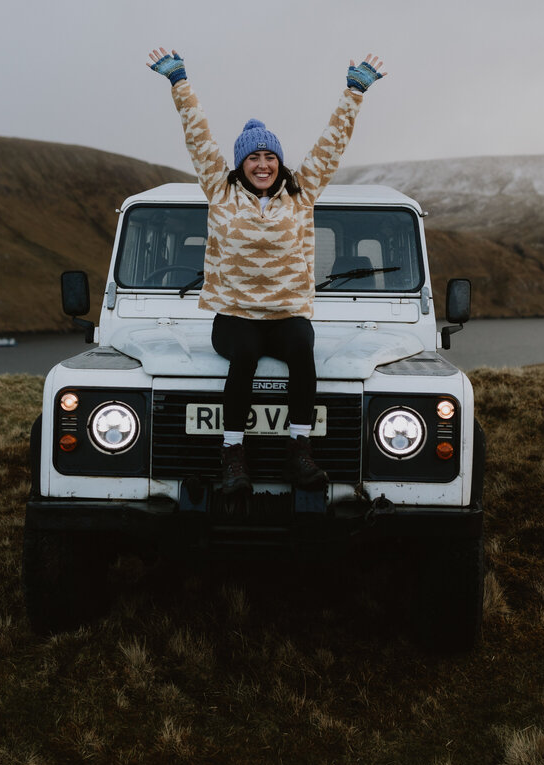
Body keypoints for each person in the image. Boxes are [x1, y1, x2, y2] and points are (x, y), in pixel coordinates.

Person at [147, 47, 386, 495]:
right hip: (234, 315)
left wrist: (354, 91)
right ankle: (233, 456)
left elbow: (331, 144)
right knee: (244, 357)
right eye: (253, 158)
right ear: (240, 164)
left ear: (279, 162)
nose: (262, 164)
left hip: (285, 313)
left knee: (302, 347)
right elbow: (197, 137)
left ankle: (300, 450)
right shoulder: (220, 190)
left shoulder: (301, 191)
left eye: (269, 157)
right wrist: (178, 81)